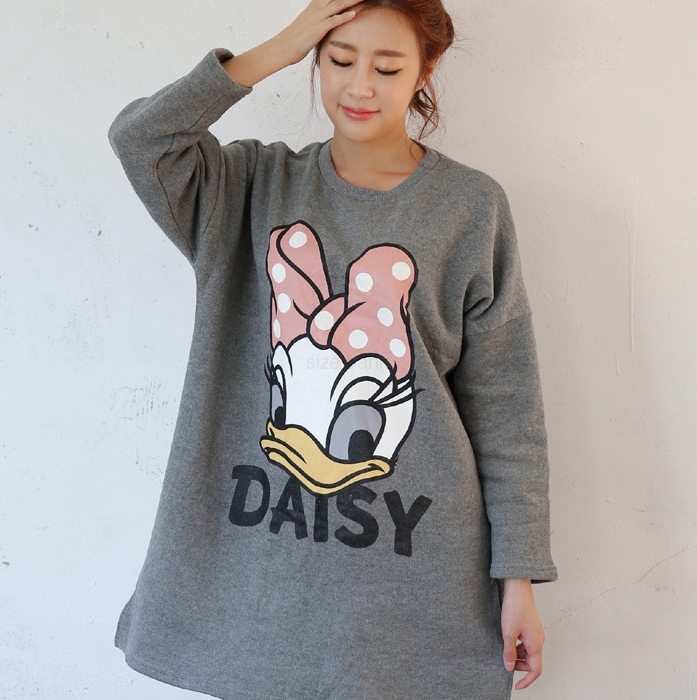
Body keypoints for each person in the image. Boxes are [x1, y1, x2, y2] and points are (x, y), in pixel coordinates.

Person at [108, 1, 558, 698]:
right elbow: (141, 139)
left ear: (426, 70)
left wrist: (517, 579)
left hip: (412, 583)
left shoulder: (472, 208)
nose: (360, 86)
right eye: (340, 59)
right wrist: (273, 49)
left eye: (388, 67)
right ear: (314, 56)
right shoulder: (246, 186)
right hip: (255, 581)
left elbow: (506, 409)